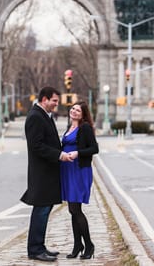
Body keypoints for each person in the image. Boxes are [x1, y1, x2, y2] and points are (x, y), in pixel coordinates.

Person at [21, 87, 70, 262]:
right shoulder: (35, 117)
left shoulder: (44, 115)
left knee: (45, 209)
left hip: (48, 172)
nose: (57, 104)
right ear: (44, 99)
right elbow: (37, 146)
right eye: (54, 101)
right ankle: (35, 249)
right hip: (41, 173)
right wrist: (59, 155)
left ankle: (39, 246)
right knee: (41, 210)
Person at [61, 101, 100, 259]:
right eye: (73, 109)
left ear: (83, 114)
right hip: (67, 170)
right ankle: (78, 245)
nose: (74, 112)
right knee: (72, 210)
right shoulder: (68, 127)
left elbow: (94, 148)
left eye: (78, 110)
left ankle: (89, 245)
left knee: (76, 209)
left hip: (79, 170)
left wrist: (78, 153)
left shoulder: (84, 128)